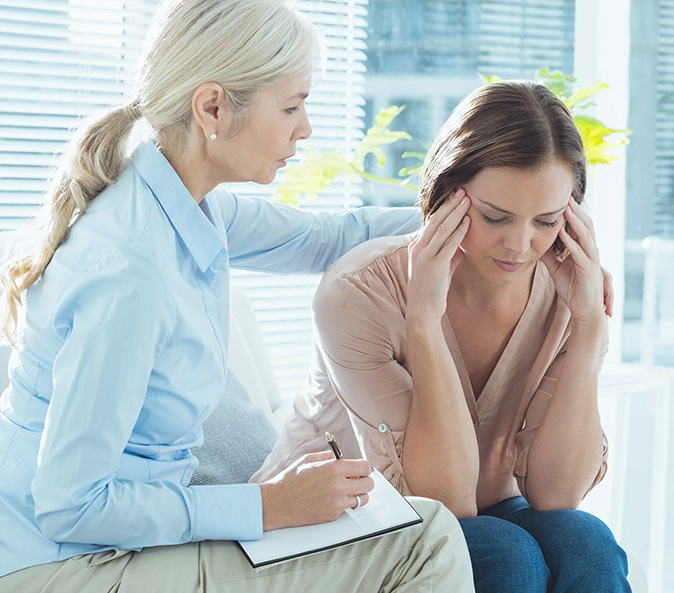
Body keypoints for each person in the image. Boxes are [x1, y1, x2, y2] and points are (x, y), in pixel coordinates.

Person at [0, 1, 476, 591]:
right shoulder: (130, 270)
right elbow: (70, 506)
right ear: (213, 108)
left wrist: (483, 222)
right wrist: (268, 505)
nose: (306, 127)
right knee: (426, 537)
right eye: (291, 106)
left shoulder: (188, 207)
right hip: (61, 566)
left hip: (111, 544)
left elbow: (328, 237)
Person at [253, 80, 632, 592]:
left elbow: (557, 496)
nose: (520, 245)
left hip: (483, 513)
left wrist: (587, 325)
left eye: (545, 222)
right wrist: (424, 322)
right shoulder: (359, 292)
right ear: (444, 197)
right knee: (504, 553)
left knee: (587, 543)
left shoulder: (568, 292)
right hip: (337, 516)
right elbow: (443, 501)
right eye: (495, 217)